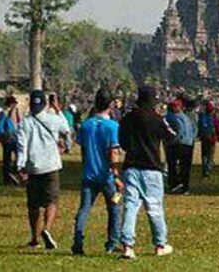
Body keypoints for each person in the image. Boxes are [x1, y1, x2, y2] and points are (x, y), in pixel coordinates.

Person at [119, 85, 175, 259]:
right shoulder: (157, 119)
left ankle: (128, 246)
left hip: (132, 167)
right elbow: (172, 136)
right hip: (152, 168)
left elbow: (122, 142)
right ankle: (160, 244)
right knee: (154, 207)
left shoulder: (128, 118)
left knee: (130, 207)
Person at [17, 90, 71, 250]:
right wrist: (58, 108)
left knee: (33, 205)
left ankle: (34, 238)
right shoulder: (53, 119)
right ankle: (47, 229)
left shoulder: (24, 123)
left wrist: (20, 166)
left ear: (31, 103)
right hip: (51, 165)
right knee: (52, 201)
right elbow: (66, 127)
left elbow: (22, 146)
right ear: (45, 103)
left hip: (33, 167)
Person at [72, 88, 122, 256]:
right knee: (114, 208)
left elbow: (84, 150)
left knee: (84, 209)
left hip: (89, 174)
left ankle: (77, 242)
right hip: (106, 175)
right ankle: (112, 242)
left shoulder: (86, 125)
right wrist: (116, 175)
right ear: (110, 105)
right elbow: (113, 152)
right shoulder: (113, 126)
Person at [164, 99, 196, 195]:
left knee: (174, 165)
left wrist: (172, 141)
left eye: (176, 106)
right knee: (184, 166)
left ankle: (176, 184)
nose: (174, 107)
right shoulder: (186, 117)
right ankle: (183, 185)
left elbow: (177, 130)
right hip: (187, 143)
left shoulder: (171, 117)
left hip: (178, 144)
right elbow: (193, 129)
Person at [0, 96, 21, 185]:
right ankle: (7, 178)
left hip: (15, 135)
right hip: (7, 137)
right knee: (7, 159)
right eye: (14, 103)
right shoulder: (3, 113)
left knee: (18, 157)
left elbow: (18, 121)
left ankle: (15, 175)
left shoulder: (15, 111)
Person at [197, 101, 219, 178]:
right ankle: (208, 168)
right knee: (210, 155)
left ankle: (205, 169)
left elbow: (199, 127)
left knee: (204, 155)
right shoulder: (214, 118)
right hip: (211, 139)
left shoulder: (202, 118)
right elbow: (218, 128)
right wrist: (218, 136)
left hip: (204, 139)